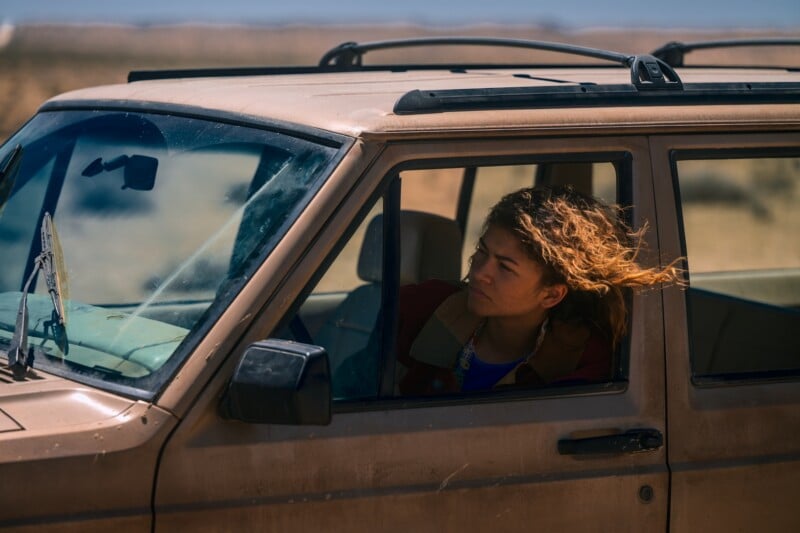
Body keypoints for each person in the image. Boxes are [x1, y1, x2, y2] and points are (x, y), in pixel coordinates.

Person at [396, 185, 683, 395]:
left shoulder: (583, 366)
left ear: (551, 295)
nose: (480, 272)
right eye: (482, 252)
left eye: (505, 267)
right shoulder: (423, 308)